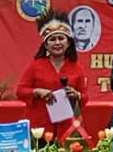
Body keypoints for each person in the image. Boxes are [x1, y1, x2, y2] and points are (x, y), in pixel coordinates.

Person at [16, 11, 89, 140]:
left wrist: (76, 94)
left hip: (66, 127)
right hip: (39, 127)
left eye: (61, 38)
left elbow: (85, 97)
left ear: (68, 43)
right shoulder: (35, 66)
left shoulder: (77, 68)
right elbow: (20, 91)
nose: (57, 43)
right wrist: (37, 92)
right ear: (45, 45)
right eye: (52, 39)